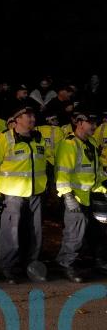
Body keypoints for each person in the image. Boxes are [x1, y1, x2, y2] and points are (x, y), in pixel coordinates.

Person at [0, 106, 47, 284]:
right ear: (17, 119)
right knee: (10, 233)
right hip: (13, 193)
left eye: (33, 115)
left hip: (36, 192)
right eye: (27, 115)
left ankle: (31, 266)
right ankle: (7, 267)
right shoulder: (3, 139)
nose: (32, 118)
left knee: (36, 232)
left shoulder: (38, 138)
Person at [55, 112, 107, 282]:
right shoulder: (69, 144)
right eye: (90, 122)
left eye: (95, 122)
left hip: (92, 195)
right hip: (76, 198)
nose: (94, 126)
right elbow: (62, 174)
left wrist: (103, 187)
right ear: (79, 123)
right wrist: (67, 195)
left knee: (96, 233)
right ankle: (65, 264)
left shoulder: (91, 142)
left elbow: (96, 171)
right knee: (74, 234)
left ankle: (96, 262)